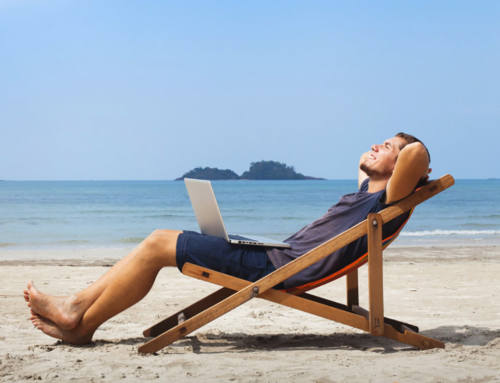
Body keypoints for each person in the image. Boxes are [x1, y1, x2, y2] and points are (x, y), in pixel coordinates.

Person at [24, 132, 431, 345]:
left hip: (276, 267)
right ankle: (79, 317)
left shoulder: (388, 199)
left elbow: (414, 157)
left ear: (403, 168)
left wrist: (407, 150)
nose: (376, 146)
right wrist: (385, 150)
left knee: (157, 243)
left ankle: (78, 314)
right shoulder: (367, 191)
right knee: (162, 240)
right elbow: (365, 163)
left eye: (389, 146)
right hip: (275, 255)